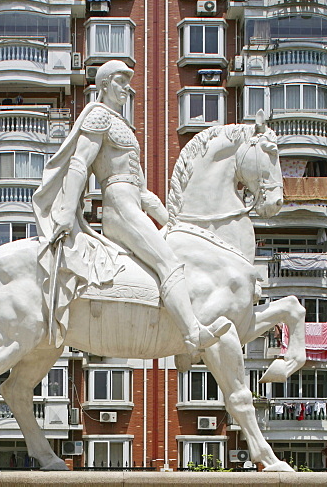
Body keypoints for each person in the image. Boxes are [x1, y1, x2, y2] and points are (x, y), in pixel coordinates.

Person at [32, 60, 231, 358]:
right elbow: (79, 163)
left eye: (128, 82)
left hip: (133, 204)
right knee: (169, 264)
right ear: (104, 84)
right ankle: (192, 334)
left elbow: (143, 193)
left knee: (174, 255)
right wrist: (64, 212)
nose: (127, 88)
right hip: (120, 211)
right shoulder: (98, 116)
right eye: (120, 81)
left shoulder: (123, 127)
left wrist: (173, 222)